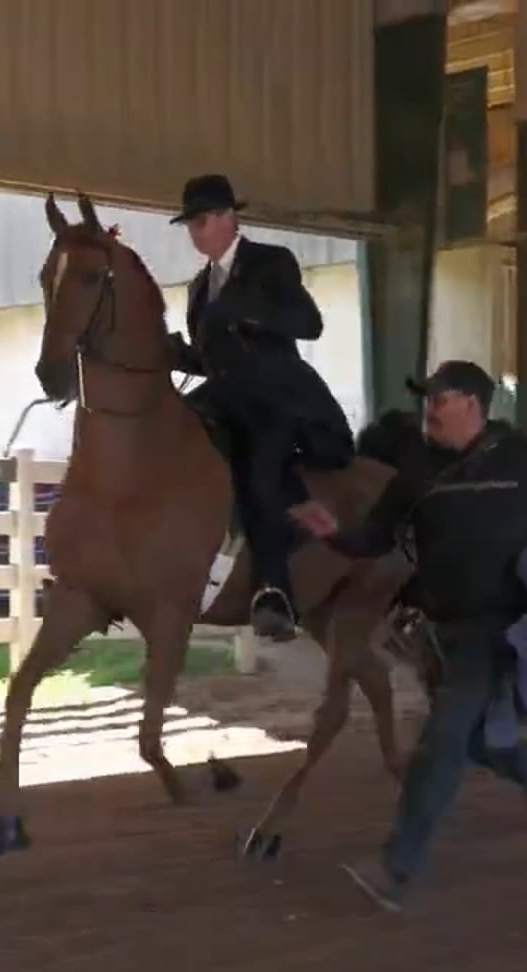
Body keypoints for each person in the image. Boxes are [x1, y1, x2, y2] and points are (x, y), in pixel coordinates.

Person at [292, 360, 527, 913]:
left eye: (441, 398)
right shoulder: (416, 472)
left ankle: (397, 868)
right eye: (428, 399)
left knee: (440, 741)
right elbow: (376, 538)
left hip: (503, 627)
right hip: (438, 632)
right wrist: (335, 535)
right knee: (469, 737)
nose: (429, 409)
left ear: (473, 404)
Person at [165, 173, 355, 642]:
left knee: (257, 473)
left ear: (229, 217)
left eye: (203, 220)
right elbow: (212, 361)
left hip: (276, 399)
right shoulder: (196, 289)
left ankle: (274, 592)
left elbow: (308, 325)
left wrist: (244, 311)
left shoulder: (271, 263)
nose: (195, 232)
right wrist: (173, 354)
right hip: (225, 400)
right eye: (190, 223)